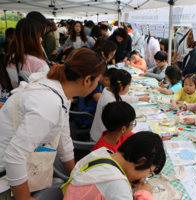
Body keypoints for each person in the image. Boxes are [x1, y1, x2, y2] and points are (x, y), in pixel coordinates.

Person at [0, 48, 106, 200]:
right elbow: (15, 156)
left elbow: (64, 140)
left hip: (17, 173)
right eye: (98, 80)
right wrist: (25, 198)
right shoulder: (49, 101)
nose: (98, 84)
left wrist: (75, 178)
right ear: (87, 80)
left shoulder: (59, 90)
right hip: (6, 180)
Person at [63, 131, 166, 200]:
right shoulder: (117, 185)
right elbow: (113, 186)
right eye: (149, 172)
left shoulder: (102, 152)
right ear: (141, 161)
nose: (144, 177)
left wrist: (126, 181)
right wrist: (144, 194)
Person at [90, 69, 150, 142]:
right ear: (121, 86)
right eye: (128, 86)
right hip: (101, 139)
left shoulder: (107, 91)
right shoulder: (111, 103)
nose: (128, 88)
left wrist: (139, 99)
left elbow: (121, 98)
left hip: (101, 134)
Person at [5, 18, 49, 89]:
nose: (41, 39)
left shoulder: (10, 58)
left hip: (17, 97)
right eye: (40, 36)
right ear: (32, 39)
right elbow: (47, 90)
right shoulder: (40, 64)